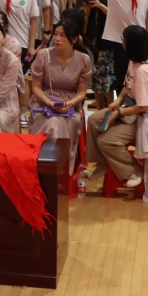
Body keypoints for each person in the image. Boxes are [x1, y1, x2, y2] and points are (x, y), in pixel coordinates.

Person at [85, 25, 148, 191]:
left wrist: (119, 112)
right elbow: (127, 85)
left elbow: (144, 106)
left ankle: (134, 171)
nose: (122, 43)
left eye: (124, 40)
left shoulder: (143, 71)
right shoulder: (133, 61)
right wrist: (118, 100)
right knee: (93, 120)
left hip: (145, 119)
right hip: (130, 108)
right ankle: (102, 163)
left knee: (106, 140)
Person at [29, 18, 92, 178]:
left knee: (61, 122)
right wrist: (50, 103)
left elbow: (81, 92)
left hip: (69, 105)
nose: (57, 39)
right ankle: (43, 171)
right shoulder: (43, 55)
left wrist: (70, 103)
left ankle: (61, 173)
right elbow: (36, 87)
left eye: (63, 35)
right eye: (56, 34)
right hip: (44, 101)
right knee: (53, 123)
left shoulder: (83, 59)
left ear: (74, 39)